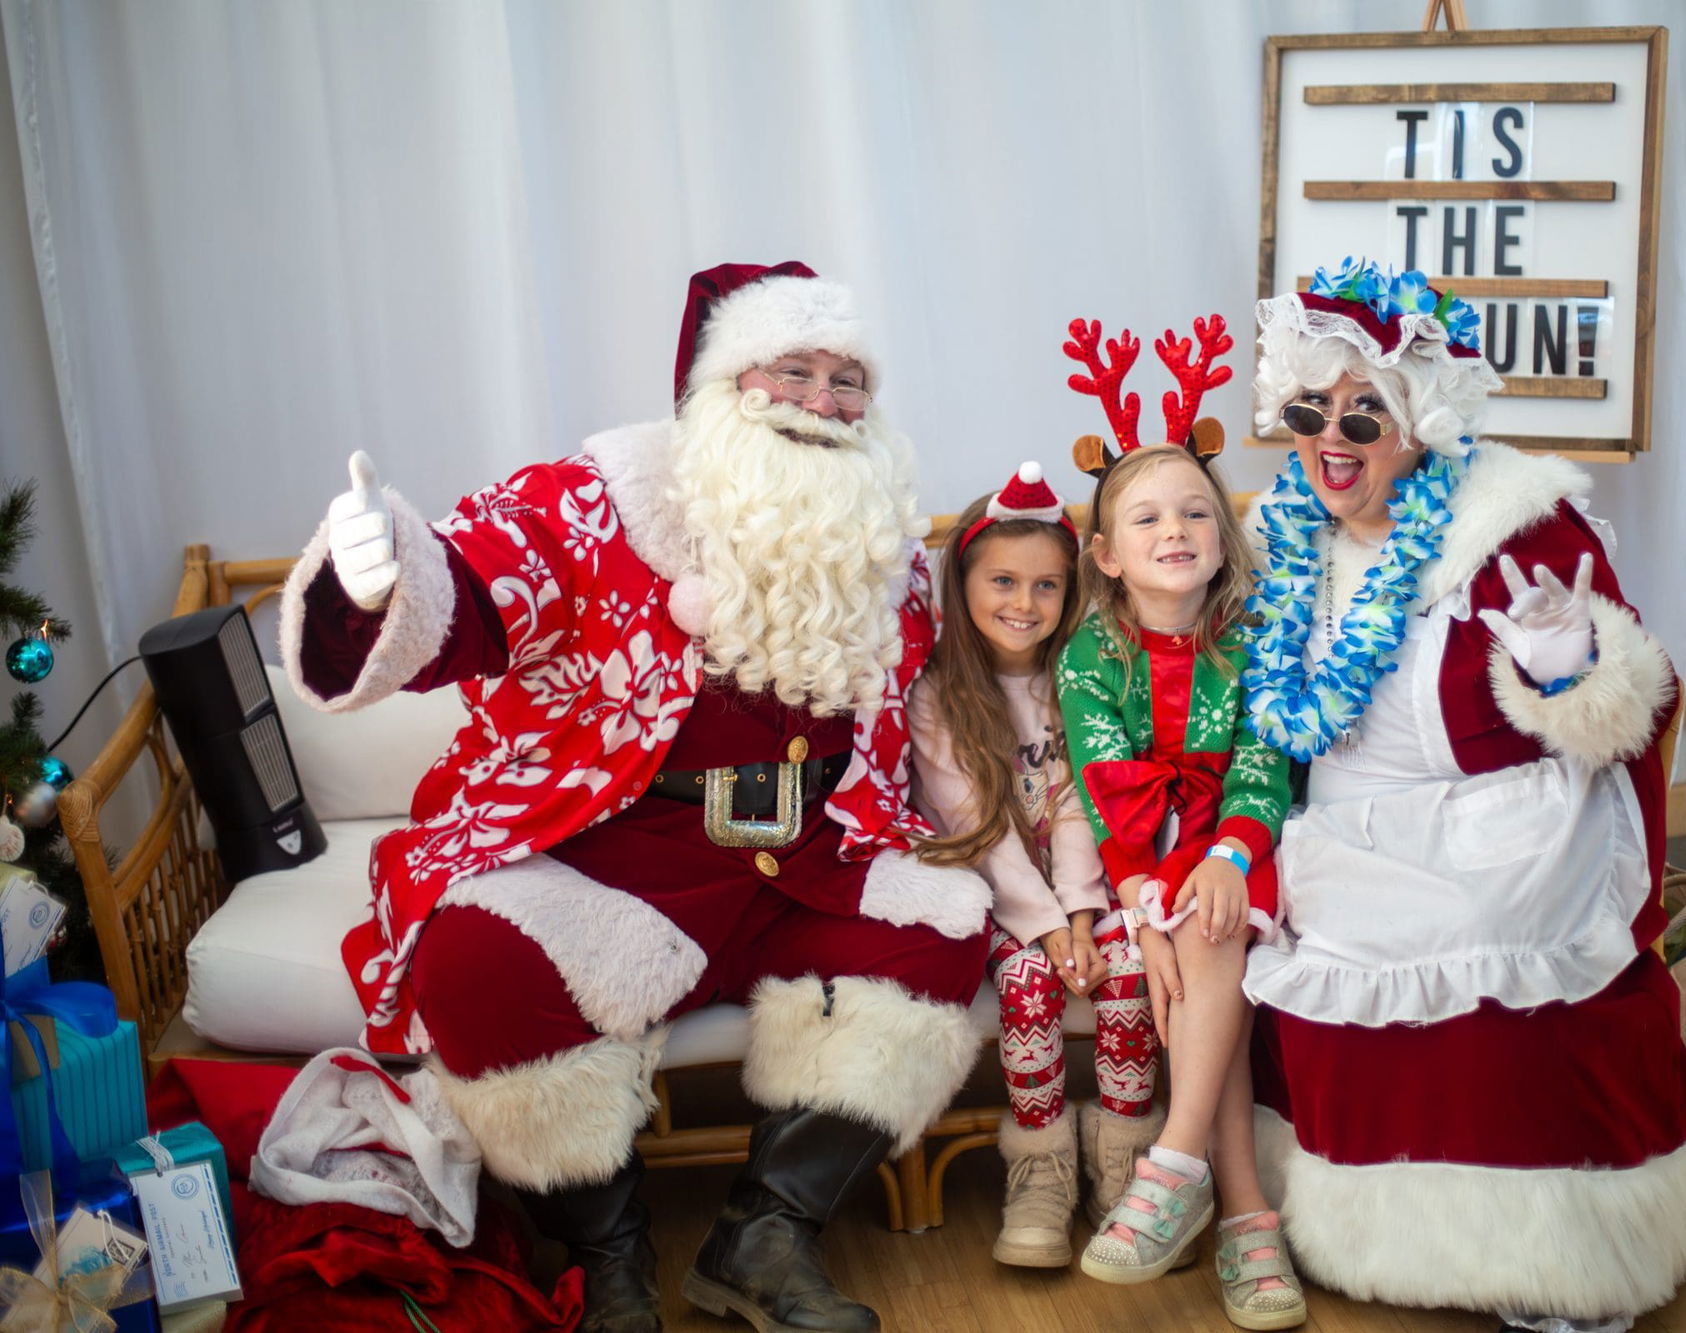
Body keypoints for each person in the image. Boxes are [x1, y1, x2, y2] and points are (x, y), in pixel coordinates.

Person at [281, 261, 993, 1333]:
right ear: (717, 386)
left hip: (809, 849)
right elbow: (477, 589)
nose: (823, 400)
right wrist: (377, 580)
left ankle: (760, 1234)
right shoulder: (593, 499)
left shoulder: (877, 537)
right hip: (618, 846)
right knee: (475, 962)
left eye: (847, 379)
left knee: (940, 928)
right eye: (791, 369)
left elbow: (981, 665)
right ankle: (605, 1250)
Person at [1239, 258, 1686, 1333]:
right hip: (1347, 820)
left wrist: (1565, 668)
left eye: (1365, 415)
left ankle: (1555, 1256)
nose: (1332, 437)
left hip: (1504, 814)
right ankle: (1353, 1225)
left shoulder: (1510, 529)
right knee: (1319, 926)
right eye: (1311, 409)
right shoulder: (1282, 537)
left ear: (1419, 422)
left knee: (1481, 920)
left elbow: (1631, 703)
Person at [1053, 317, 1307, 1330]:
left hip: (1247, 848)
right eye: (1147, 518)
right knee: (1207, 944)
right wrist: (1148, 907)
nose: (1174, 530)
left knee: (1219, 922)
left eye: (1195, 514)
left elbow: (1262, 761)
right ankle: (1244, 1215)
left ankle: (1175, 1163)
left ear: (1221, 538)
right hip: (1147, 871)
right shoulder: (1088, 660)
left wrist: (1234, 854)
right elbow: (1109, 790)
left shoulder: (1248, 643)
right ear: (1106, 554)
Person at [908, 462, 1162, 1270]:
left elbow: (1089, 799)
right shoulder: (940, 695)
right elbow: (976, 826)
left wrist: (1083, 917)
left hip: (1090, 882)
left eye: (1047, 585)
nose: (1025, 603)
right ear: (965, 582)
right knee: (1024, 985)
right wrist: (1048, 928)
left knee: (1129, 969)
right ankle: (1041, 1171)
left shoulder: (1085, 674)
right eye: (1004, 581)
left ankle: (1125, 1165)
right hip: (1001, 894)